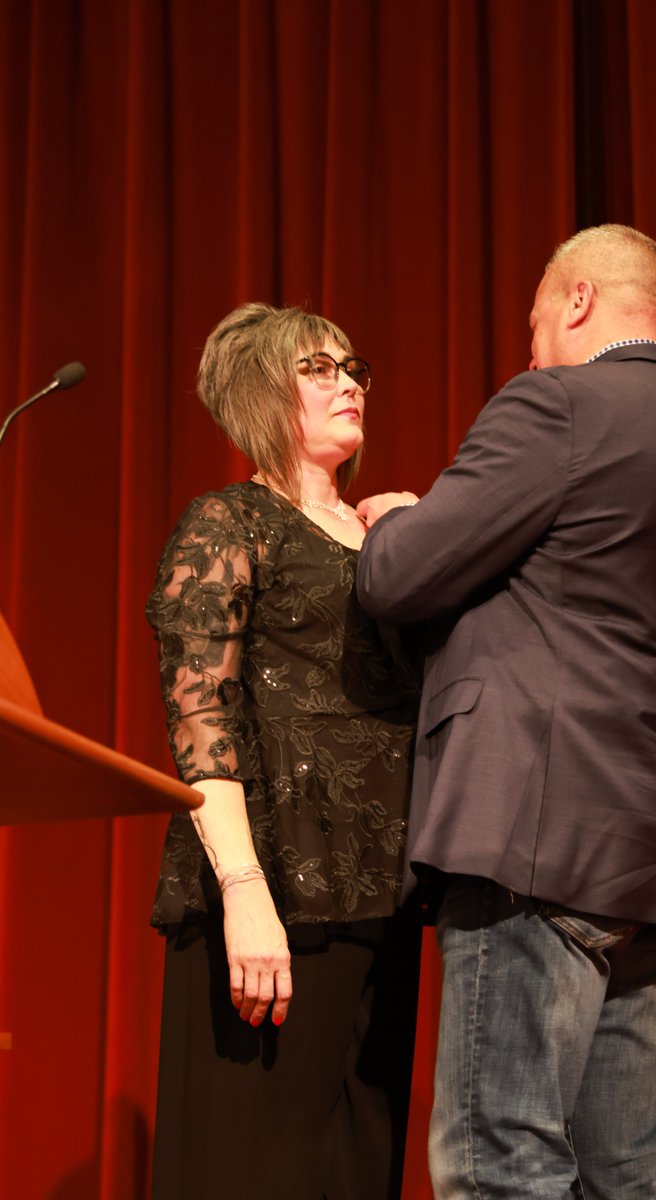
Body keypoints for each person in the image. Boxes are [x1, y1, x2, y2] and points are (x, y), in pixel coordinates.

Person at [355, 224, 656, 1199]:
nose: (528, 349)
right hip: (649, 864)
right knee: (624, 1174)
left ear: (575, 302)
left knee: (501, 1161)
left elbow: (403, 579)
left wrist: (392, 521)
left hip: (536, 837)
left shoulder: (562, 405)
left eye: (535, 322)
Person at [145, 302, 420, 1200]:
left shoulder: (390, 534)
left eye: (354, 366)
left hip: (380, 888)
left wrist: (425, 539)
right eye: (318, 368)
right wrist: (244, 894)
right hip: (274, 890)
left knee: (357, 1164)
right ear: (264, 392)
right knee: (257, 1169)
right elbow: (203, 723)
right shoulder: (229, 523)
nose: (350, 382)